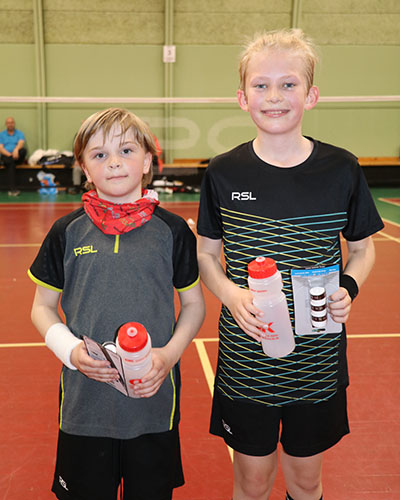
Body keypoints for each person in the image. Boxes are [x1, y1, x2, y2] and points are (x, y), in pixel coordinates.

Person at [197, 29, 384, 500]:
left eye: (288, 84)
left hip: (317, 359)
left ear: (311, 95)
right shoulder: (223, 172)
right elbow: (206, 254)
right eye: (261, 85)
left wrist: (348, 288)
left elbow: (363, 250)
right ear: (243, 98)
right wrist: (231, 294)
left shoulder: (342, 168)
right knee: (252, 481)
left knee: (305, 481)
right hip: (246, 359)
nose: (274, 96)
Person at [29, 107, 205, 500]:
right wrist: (70, 351)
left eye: (126, 150)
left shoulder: (173, 231)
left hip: (152, 404)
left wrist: (169, 355)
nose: (113, 162)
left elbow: (194, 305)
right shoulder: (66, 231)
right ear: (85, 169)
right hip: (85, 407)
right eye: (99, 154)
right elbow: (41, 308)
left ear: (147, 161)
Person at [0, 116, 27, 196]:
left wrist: (16, 150)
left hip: (17, 156)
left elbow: (21, 143)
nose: (10, 124)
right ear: (6, 124)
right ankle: (13, 190)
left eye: (11, 122)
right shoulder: (1, 134)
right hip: (7, 156)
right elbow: (1, 148)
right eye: (8, 123)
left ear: (14, 124)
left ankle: (11, 160)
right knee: (11, 163)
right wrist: (10, 155)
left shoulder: (20, 133)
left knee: (23, 150)